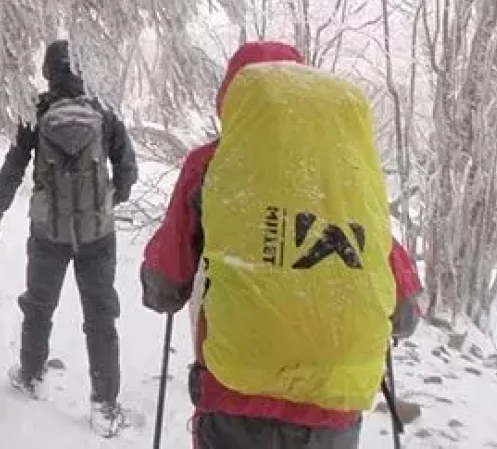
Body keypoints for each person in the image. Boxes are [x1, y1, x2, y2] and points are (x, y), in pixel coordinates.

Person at [141, 41, 424, 449]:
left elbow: (164, 284)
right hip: (334, 413)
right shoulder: (350, 176)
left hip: (235, 400)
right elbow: (405, 314)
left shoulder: (213, 163)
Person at [0, 39, 138, 434]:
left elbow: (13, 167)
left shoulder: (36, 112)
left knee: (39, 306)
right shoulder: (104, 112)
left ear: (49, 71)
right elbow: (128, 171)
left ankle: (32, 376)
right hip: (97, 235)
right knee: (101, 318)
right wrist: (104, 201)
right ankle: (104, 407)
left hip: (47, 233)